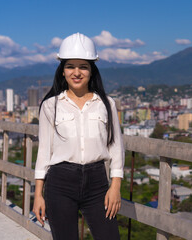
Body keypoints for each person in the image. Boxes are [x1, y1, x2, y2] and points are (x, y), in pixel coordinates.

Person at [33, 32, 124, 240]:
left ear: (92, 71)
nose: (77, 72)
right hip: (60, 183)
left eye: (83, 66)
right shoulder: (50, 106)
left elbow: (116, 147)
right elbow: (44, 151)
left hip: (97, 183)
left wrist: (115, 186)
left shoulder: (106, 104)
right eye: (70, 66)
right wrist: (38, 194)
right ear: (62, 71)